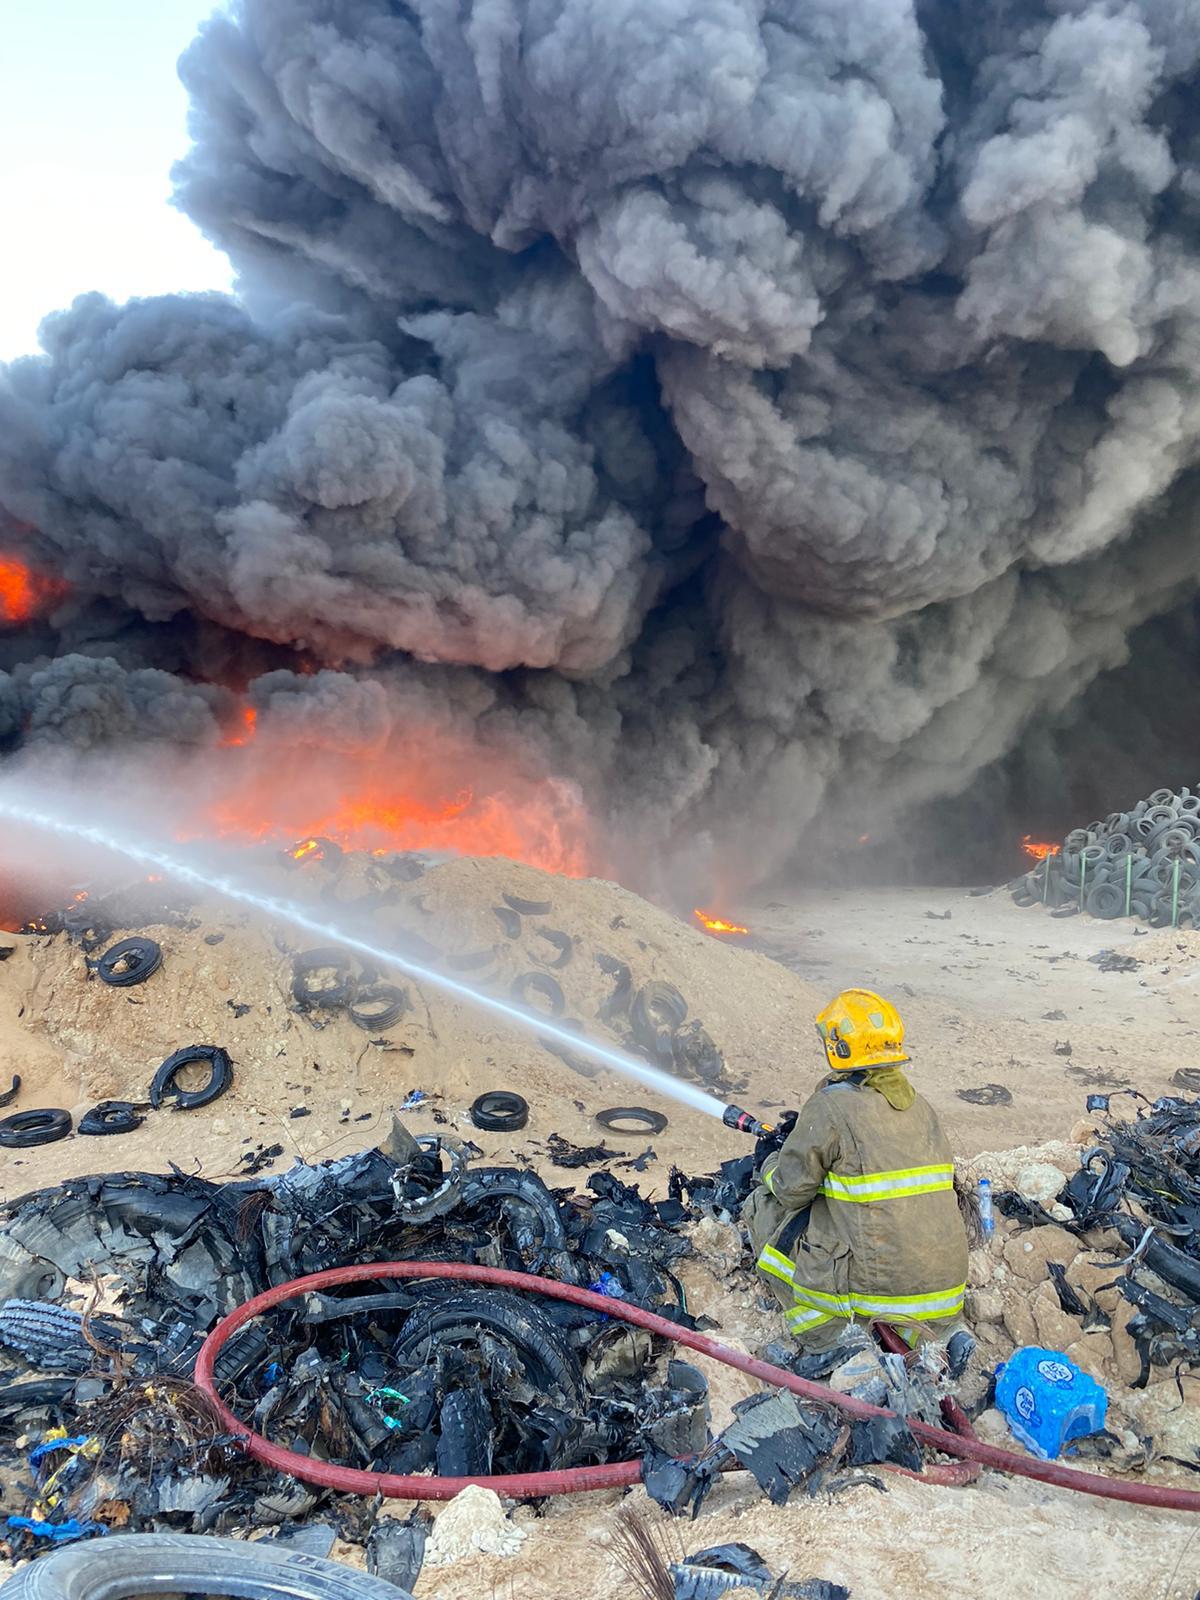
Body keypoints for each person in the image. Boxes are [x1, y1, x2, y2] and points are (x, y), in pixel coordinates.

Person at [743, 988, 970, 1358]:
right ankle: (937, 1338)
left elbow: (791, 1191)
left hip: (876, 1295)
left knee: (764, 1210)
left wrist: (769, 1161)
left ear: (841, 1047)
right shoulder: (922, 1107)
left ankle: (831, 1338)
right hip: (943, 1297)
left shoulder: (831, 1107)